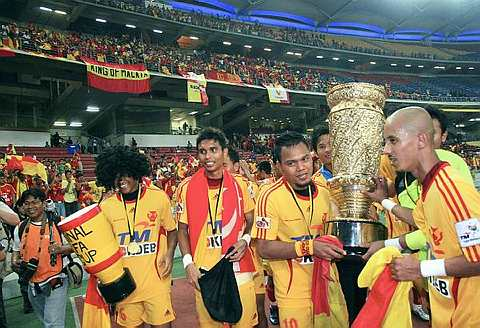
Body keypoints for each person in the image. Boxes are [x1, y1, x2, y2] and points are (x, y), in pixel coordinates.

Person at [364, 106, 480, 327]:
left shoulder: (451, 189)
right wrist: (384, 202)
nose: (386, 150)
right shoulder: (429, 186)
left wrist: (420, 268)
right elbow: (421, 221)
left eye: (393, 141)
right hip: (446, 314)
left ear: (421, 140)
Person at [252, 131, 347, 328]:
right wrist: (310, 247)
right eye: (291, 163)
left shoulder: (325, 192)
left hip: (329, 285)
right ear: (278, 166)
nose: (301, 168)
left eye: (305, 159)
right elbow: (263, 247)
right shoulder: (269, 196)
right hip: (293, 295)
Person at [177, 128, 258, 328]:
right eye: (202, 151)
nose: (208, 156)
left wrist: (245, 241)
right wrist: (188, 264)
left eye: (213, 150)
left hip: (238, 268)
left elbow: (251, 219)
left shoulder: (240, 184)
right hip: (204, 273)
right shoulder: (186, 187)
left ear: (224, 152)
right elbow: (181, 229)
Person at [96, 146, 177, 328]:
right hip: (125, 286)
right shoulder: (106, 206)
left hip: (156, 282)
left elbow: (172, 230)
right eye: (116, 176)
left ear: (136, 172)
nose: (120, 180)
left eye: (125, 174)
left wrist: (170, 255)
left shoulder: (158, 198)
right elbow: (102, 246)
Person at [12, 189, 73, 328]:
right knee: (46, 321)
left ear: (44, 203)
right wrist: (15, 262)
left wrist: (62, 249)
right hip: (32, 284)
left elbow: (80, 244)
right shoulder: (20, 228)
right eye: (26, 203)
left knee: (53, 324)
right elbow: (15, 251)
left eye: (35, 202)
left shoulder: (59, 223)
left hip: (56, 280)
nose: (30, 206)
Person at [225, 147, 266, 328]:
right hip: (234, 259)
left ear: (235, 166)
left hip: (252, 256)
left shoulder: (246, 186)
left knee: (254, 311)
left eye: (224, 165)